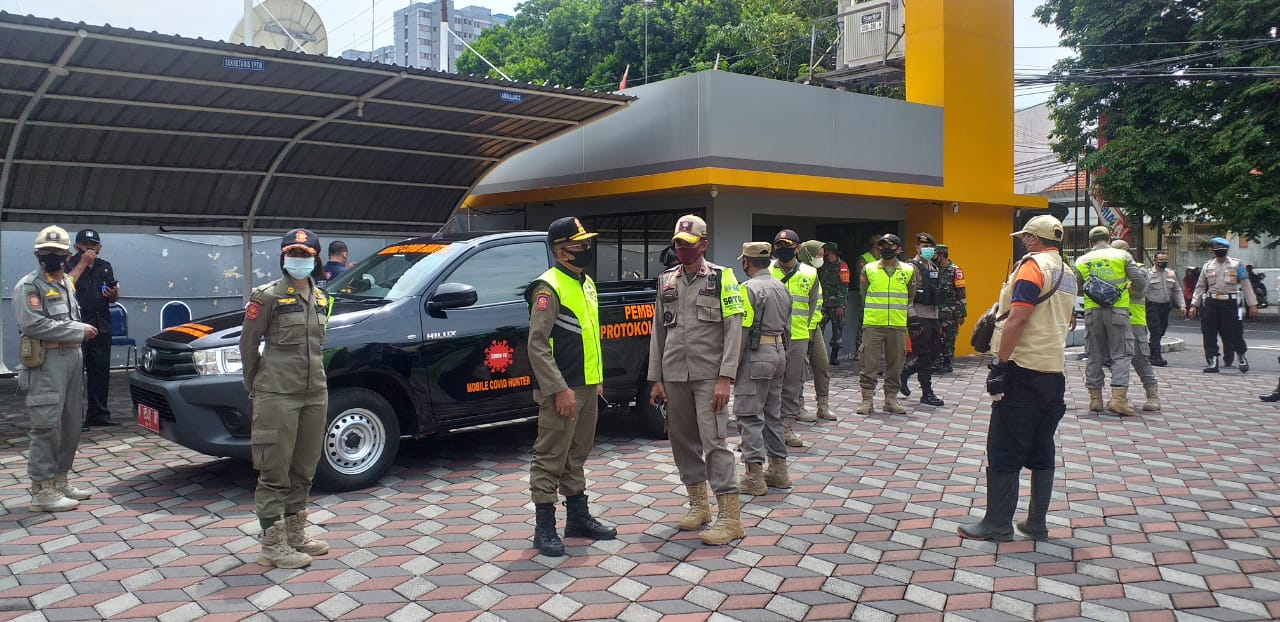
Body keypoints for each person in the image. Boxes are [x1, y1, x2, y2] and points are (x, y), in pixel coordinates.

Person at [958, 215, 1076, 542]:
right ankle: (1036, 523)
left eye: (1025, 237)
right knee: (1042, 446)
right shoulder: (1068, 273)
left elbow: (1018, 319)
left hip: (1023, 369)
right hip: (1053, 371)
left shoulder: (1031, 267)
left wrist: (1001, 362)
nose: (1023, 241)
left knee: (1004, 446)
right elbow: (1069, 323)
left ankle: (997, 524)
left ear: (1034, 239)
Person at [648, 214, 746, 546]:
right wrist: (656, 378)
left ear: (703, 244)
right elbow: (658, 331)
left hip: (709, 376)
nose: (683, 250)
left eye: (689, 245)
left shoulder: (723, 278)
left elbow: (734, 329)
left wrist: (725, 378)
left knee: (715, 441)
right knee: (681, 439)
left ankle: (731, 517)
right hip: (675, 374)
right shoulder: (666, 281)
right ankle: (698, 506)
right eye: (678, 245)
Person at [240, 229, 332, 569]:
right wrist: (256, 385)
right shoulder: (266, 297)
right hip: (277, 394)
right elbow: (248, 345)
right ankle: (272, 544)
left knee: (304, 469)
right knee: (274, 471)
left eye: (306, 254)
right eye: (294, 253)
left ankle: (296, 534)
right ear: (282, 257)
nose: (299, 259)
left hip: (314, 393)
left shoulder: (322, 298)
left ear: (316, 259)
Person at [525, 217, 617, 557]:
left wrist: (597, 381)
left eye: (586, 242)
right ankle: (544, 528)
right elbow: (537, 344)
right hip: (562, 389)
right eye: (579, 244)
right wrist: (558, 388)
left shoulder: (585, 282)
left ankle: (577, 519)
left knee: (577, 454)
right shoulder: (548, 288)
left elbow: (589, 336)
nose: (586, 249)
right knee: (550, 456)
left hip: (588, 385)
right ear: (561, 251)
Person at [13, 226, 98, 512]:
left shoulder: (63, 283)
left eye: (57, 253)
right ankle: (41, 490)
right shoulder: (30, 286)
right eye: (46, 253)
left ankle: (59, 480)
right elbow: (32, 323)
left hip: (71, 359)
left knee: (71, 423)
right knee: (47, 424)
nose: (52, 257)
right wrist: (78, 329)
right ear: (37, 254)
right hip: (47, 361)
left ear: (66, 255)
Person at [733, 242, 792, 496]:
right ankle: (779, 470)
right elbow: (788, 327)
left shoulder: (748, 289)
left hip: (756, 355)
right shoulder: (781, 286)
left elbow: (742, 330)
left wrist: (731, 367)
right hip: (779, 352)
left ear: (746, 262)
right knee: (772, 414)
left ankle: (754, 476)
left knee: (749, 415)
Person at [1075, 225, 1146, 416]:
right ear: (1109, 238)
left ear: (1090, 242)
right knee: (1121, 353)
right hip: (1118, 311)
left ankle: (1095, 399)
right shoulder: (1121, 256)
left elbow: (1076, 287)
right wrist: (1128, 289)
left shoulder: (1082, 260)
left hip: (1092, 312)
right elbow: (1140, 282)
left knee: (1094, 354)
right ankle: (1117, 400)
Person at [770, 230, 822, 447]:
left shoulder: (810, 273)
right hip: (771, 337)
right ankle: (760, 430)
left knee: (792, 384)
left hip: (799, 336)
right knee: (767, 384)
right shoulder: (767, 270)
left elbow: (814, 305)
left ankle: (786, 429)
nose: (784, 248)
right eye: (779, 245)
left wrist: (807, 332)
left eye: (788, 245)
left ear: (798, 248)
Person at [66, 229, 120, 427]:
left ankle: (98, 414)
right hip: (78, 326)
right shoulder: (69, 265)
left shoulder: (105, 267)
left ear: (99, 247)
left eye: (93, 245)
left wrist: (113, 296)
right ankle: (74, 418)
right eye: (85, 245)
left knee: (100, 372)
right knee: (75, 374)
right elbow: (66, 286)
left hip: (101, 325)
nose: (90, 248)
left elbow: (113, 296)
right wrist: (82, 264)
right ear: (76, 247)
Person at [856, 234, 914, 415]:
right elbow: (863, 294)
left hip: (896, 323)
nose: (885, 249)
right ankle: (867, 400)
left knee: (895, 363)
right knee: (869, 362)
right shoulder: (869, 269)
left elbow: (910, 296)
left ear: (899, 249)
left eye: (890, 246)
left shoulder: (908, 270)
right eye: (882, 246)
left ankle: (890, 399)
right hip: (873, 322)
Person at [1189, 237, 1258, 373]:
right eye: (1216, 247)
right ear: (1212, 249)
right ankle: (1212, 361)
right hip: (1211, 302)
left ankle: (1241, 356)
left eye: (1221, 247)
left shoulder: (1237, 265)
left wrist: (1252, 304)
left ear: (1226, 249)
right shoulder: (1207, 266)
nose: (1218, 249)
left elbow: (1246, 285)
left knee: (1236, 331)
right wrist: (1194, 305)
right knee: (1209, 332)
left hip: (1232, 303)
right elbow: (1200, 286)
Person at [1111, 241, 1161, 412]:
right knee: (1116, 360)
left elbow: (1139, 291)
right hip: (1115, 320)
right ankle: (1117, 398)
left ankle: (1153, 395)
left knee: (1140, 359)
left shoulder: (1140, 270)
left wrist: (1118, 286)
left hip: (1135, 322)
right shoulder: (1111, 270)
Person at [900, 233, 945, 407]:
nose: (928, 250)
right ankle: (927, 392)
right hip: (918, 315)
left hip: (932, 316)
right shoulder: (911, 267)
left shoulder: (933, 267)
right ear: (917, 248)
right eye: (924, 247)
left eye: (930, 248)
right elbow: (906, 295)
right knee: (924, 354)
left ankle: (905, 372)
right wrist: (912, 318)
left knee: (934, 353)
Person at [799, 240, 836, 422]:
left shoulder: (814, 273)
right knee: (798, 370)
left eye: (822, 255)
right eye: (818, 255)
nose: (820, 258)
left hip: (815, 327)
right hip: (798, 328)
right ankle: (797, 405)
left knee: (822, 366)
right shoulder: (797, 272)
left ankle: (823, 405)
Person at [1144, 251, 1184, 367]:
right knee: (1155, 330)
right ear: (1154, 261)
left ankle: (1152, 353)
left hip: (1165, 307)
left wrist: (1182, 305)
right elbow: (1143, 291)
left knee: (1161, 330)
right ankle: (1157, 356)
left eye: (1165, 261)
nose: (1163, 263)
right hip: (1152, 306)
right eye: (1160, 261)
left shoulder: (1171, 274)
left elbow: (1177, 291)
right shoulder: (1148, 274)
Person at [934, 244, 967, 374]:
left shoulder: (955, 271)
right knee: (936, 338)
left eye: (935, 255)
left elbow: (961, 293)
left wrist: (961, 314)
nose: (933, 258)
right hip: (936, 311)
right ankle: (937, 362)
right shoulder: (934, 270)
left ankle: (947, 363)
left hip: (951, 312)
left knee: (949, 338)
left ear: (941, 255)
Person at [817, 242, 850, 367]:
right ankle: (816, 355)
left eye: (829, 254)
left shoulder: (842, 266)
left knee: (837, 330)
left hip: (836, 304)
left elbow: (844, 286)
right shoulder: (822, 266)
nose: (827, 256)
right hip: (823, 303)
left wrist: (840, 305)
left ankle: (834, 357)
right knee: (818, 328)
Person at [851, 233, 881, 360]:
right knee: (864, 321)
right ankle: (859, 350)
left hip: (881, 297)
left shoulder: (884, 259)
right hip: (867, 295)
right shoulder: (865, 258)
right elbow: (863, 277)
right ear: (874, 245)